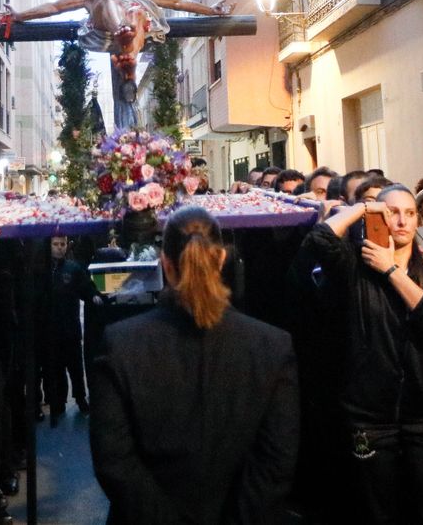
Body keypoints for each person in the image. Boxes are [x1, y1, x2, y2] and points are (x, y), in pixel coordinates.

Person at [88, 207, 297, 524]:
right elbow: (276, 459)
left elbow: (115, 460)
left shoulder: (120, 343)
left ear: (165, 265)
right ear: (221, 261)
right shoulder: (271, 345)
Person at [295, 185, 423, 525]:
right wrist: (360, 209)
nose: (400, 220)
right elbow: (318, 240)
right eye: (391, 212)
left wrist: (391, 270)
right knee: (375, 513)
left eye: (409, 213)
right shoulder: (353, 266)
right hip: (370, 417)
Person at [0, 0, 232, 101]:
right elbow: (54, 7)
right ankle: (123, 34)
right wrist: (20, 15)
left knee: (137, 11)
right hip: (106, 30)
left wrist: (212, 11)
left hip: (134, 30)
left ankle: (129, 71)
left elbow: (178, 3)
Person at [40, 235, 97, 424]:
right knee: (55, 369)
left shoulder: (73, 269)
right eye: (55, 244)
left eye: (62, 244)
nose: (59, 248)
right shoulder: (42, 271)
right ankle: (58, 403)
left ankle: (81, 399)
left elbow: (87, 289)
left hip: (70, 329)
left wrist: (94, 296)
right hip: (50, 330)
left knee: (75, 367)